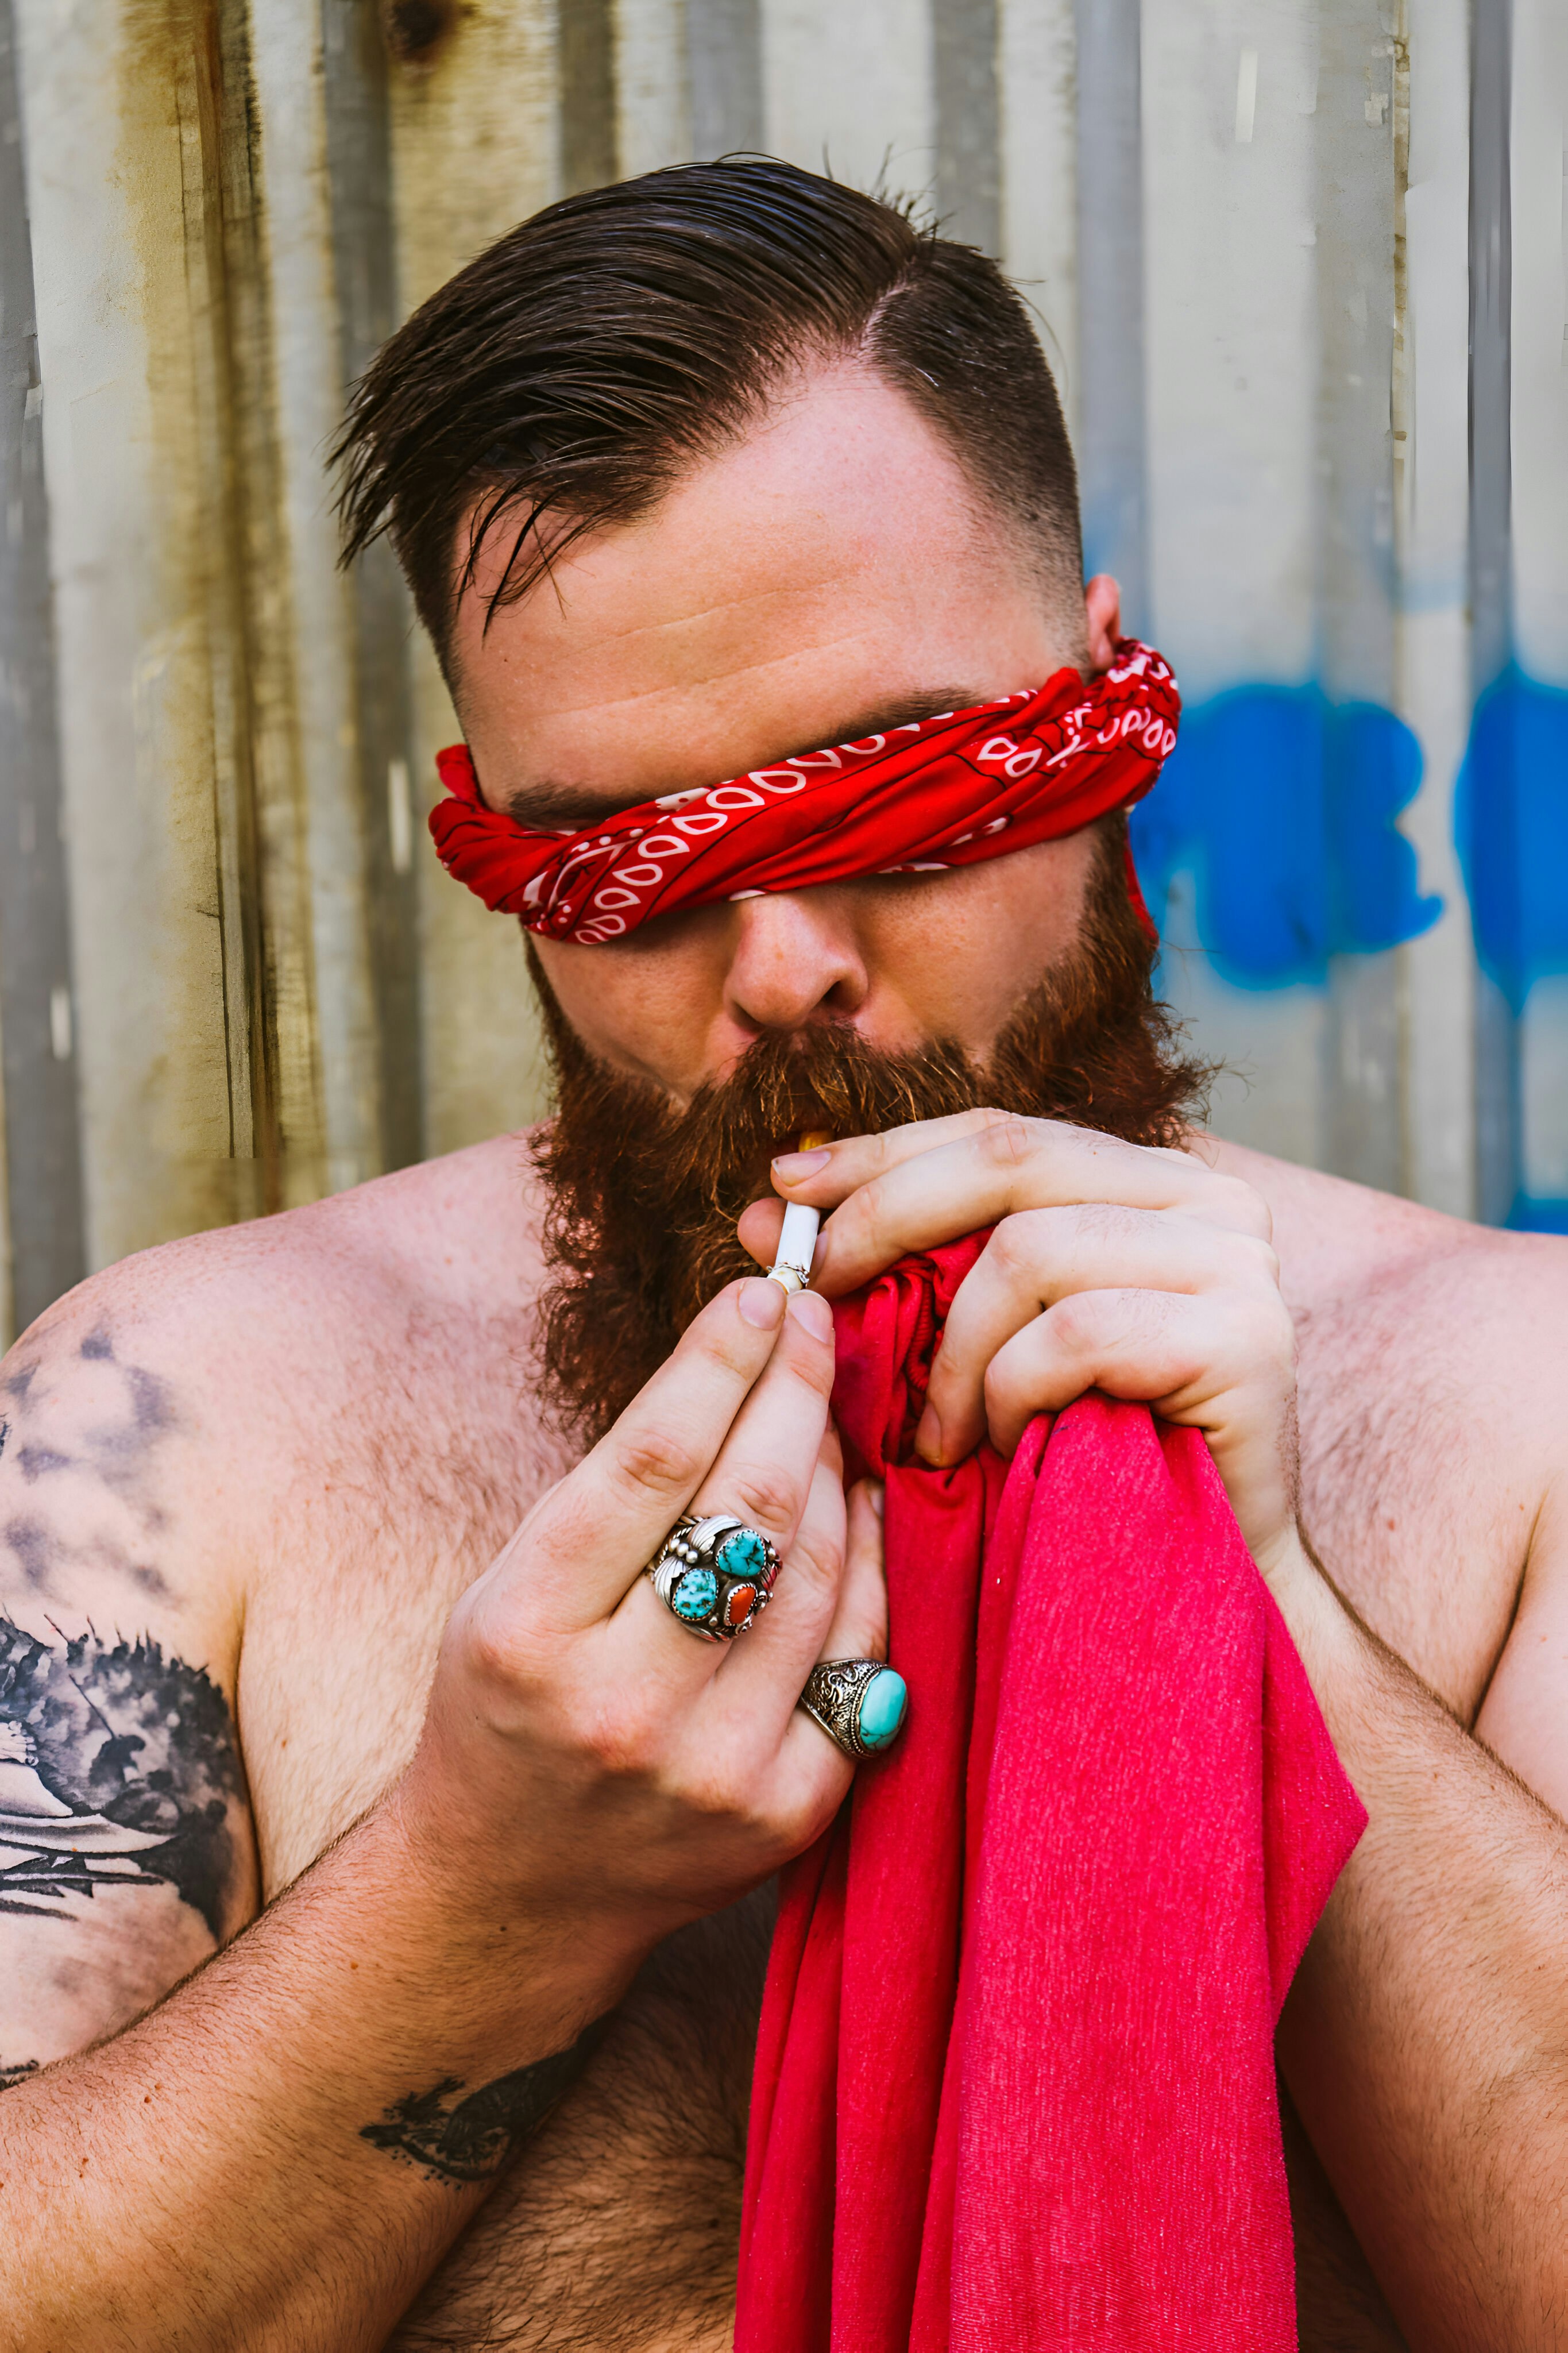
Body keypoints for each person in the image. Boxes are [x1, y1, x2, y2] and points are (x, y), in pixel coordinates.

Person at [2, 160, 1566, 2353]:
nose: (789, 972)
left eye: (887, 803)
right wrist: (486, 1886)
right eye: (642, 867)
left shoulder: (1514, 1414)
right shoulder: (189, 1416)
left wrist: (1271, 1613)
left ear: (1104, 700)